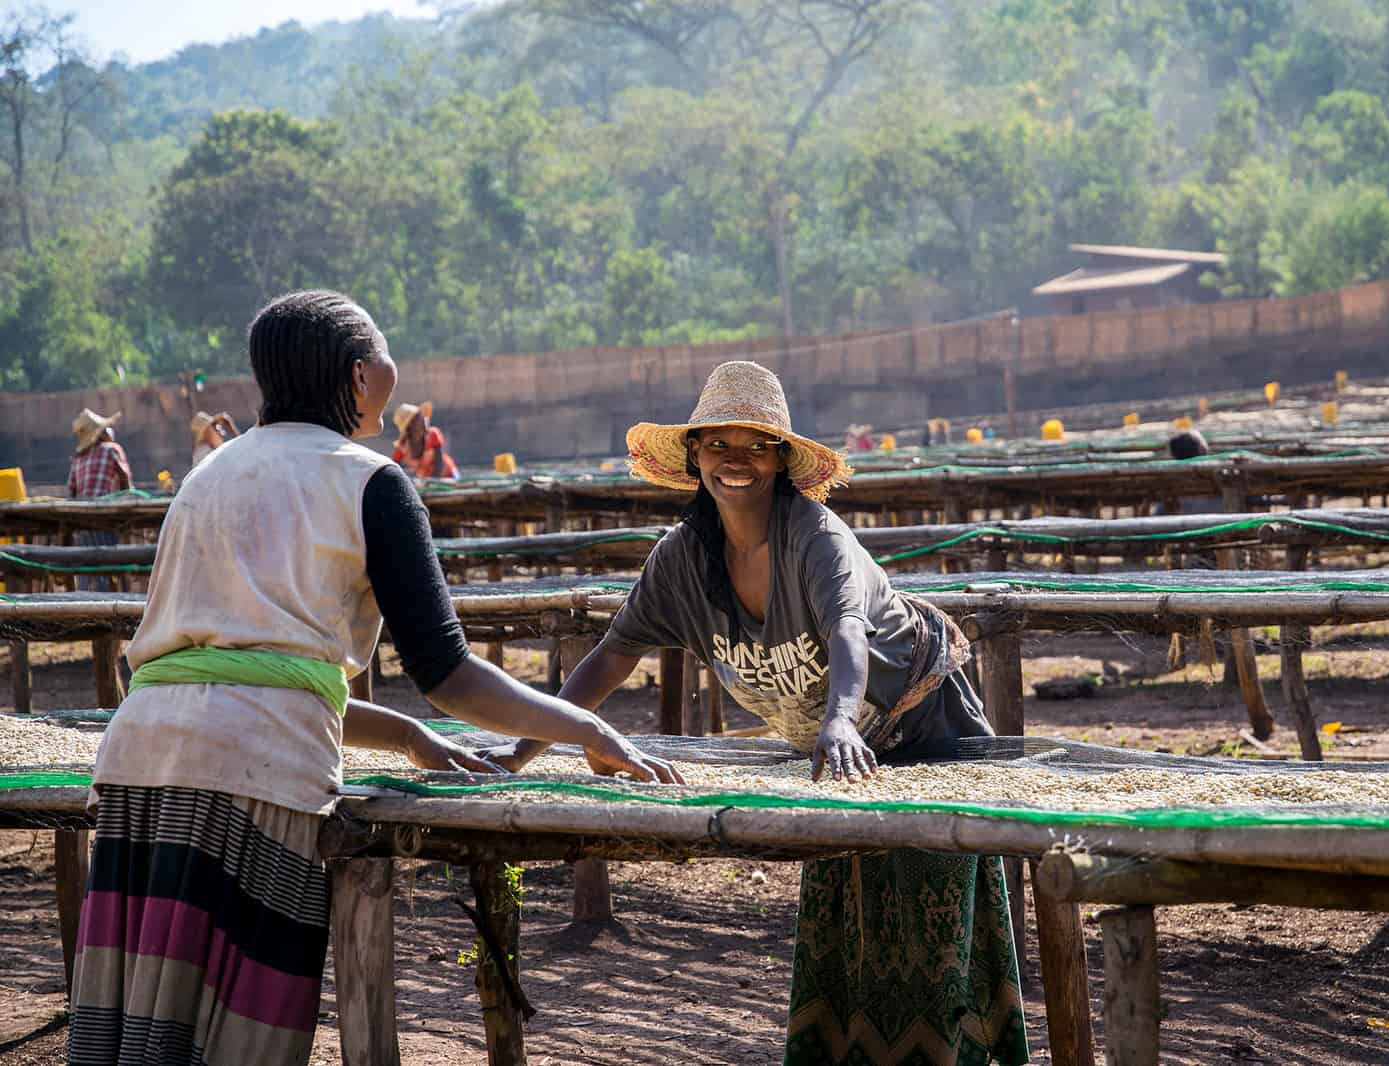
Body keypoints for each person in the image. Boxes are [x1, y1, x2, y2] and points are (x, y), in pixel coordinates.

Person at [69, 291, 681, 1066]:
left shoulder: (207, 476)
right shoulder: (368, 481)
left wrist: (405, 737)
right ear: (363, 376)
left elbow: (234, 667)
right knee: (234, 1038)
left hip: (138, 766)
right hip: (253, 782)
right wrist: (588, 726)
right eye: (386, 354)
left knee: (135, 1032)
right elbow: (449, 675)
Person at [492, 361, 1029, 1066]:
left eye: (756, 446)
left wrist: (840, 718)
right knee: (842, 907)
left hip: (922, 720)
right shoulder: (681, 560)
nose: (735, 461)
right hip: (835, 748)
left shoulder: (817, 538)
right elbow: (610, 658)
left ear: (782, 461)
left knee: (929, 917)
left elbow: (847, 631)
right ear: (694, 458)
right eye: (718, 445)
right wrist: (519, 752)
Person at [67, 408, 133, 593]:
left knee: (87, 566)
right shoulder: (112, 449)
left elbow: (71, 491)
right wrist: (128, 500)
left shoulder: (78, 458)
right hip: (104, 517)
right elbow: (125, 479)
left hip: (82, 520)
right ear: (101, 433)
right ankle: (106, 601)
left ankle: (84, 600)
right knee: (107, 561)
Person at [392, 399, 459, 480]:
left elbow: (439, 464)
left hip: (448, 476)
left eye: (421, 416)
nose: (423, 419)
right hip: (425, 483)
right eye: (418, 418)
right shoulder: (402, 447)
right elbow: (394, 469)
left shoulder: (433, 434)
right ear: (409, 426)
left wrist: (434, 484)